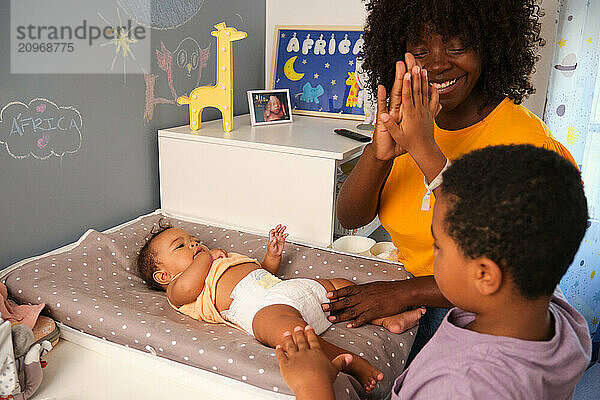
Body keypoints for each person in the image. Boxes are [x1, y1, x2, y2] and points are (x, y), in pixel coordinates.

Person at [330, 0, 578, 360]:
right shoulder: (408, 120)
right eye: (420, 50)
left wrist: (401, 293)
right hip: (415, 291)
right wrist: (378, 153)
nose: (438, 63)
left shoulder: (524, 141)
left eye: (457, 46)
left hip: (485, 311)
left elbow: (498, 275)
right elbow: (351, 217)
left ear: (490, 45)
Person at [278, 144, 592, 399]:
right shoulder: (552, 308)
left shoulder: (459, 386)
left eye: (438, 246)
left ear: (485, 275)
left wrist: (312, 386)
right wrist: (421, 144)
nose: (434, 252)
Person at [136, 224, 424, 392]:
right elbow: (188, 287)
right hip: (259, 310)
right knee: (289, 333)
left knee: (339, 285)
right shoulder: (177, 290)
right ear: (163, 276)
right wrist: (205, 256)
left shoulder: (220, 259)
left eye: (193, 240)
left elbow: (260, 271)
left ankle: (386, 319)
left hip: (283, 289)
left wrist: (272, 255)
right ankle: (349, 360)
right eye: (181, 246)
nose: (194, 244)